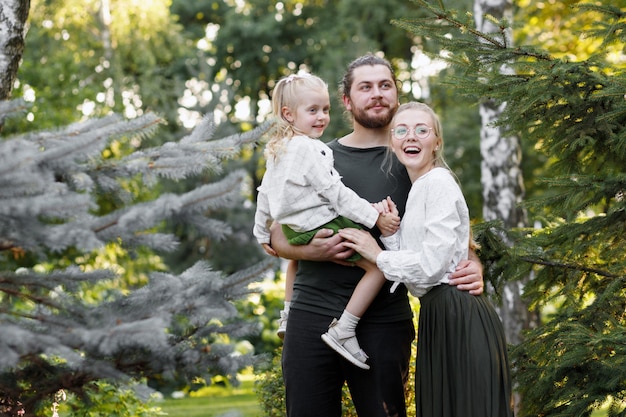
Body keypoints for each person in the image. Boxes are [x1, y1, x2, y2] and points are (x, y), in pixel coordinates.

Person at [268, 54, 485, 417]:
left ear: (397, 95)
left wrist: (473, 263)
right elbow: (276, 235)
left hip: (384, 321)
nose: (377, 94)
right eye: (365, 87)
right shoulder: (318, 154)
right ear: (347, 101)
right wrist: (314, 252)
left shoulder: (414, 158)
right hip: (311, 312)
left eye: (385, 85)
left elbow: (453, 230)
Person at [339, 101, 514, 417]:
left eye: (422, 130)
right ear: (392, 143)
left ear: (437, 142)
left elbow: (431, 268)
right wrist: (393, 234)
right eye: (402, 131)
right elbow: (415, 266)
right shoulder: (420, 187)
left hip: (459, 313)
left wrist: (376, 253)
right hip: (438, 314)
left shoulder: (438, 183)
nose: (411, 137)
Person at [253, 73, 401, 369]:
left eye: (325, 110)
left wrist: (261, 232)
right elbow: (336, 194)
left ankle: (286, 314)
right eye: (313, 111)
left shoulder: (277, 149)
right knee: (379, 266)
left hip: (297, 230)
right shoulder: (312, 149)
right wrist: (375, 218)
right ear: (288, 114)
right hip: (319, 225)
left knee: (294, 262)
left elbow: (264, 193)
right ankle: (345, 329)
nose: (321, 117)